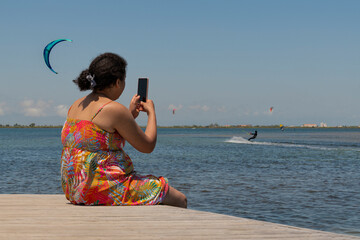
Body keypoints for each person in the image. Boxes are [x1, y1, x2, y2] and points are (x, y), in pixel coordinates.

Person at [61, 52, 187, 208]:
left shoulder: (77, 104)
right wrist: (152, 113)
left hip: (74, 189)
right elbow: (147, 146)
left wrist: (130, 115)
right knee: (179, 198)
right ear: (118, 82)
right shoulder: (114, 109)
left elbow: (99, 138)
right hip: (101, 188)